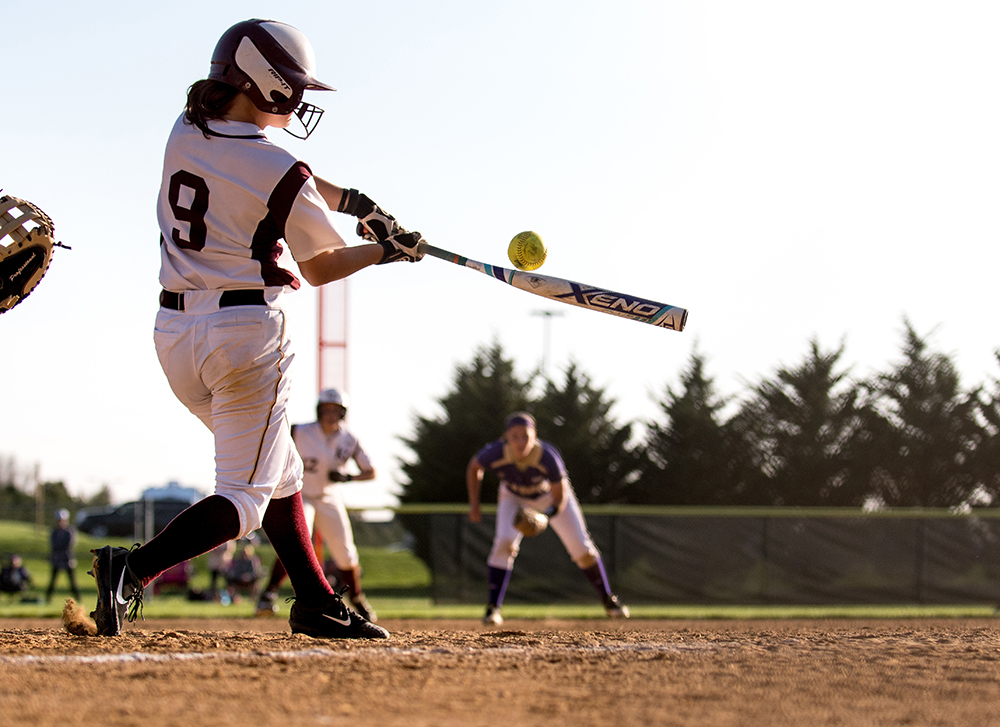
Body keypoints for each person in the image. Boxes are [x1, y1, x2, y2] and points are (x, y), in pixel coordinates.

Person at [89, 18, 426, 639]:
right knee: (245, 497)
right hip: (245, 337)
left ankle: (317, 601)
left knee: (284, 473)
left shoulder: (184, 126)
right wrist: (388, 252)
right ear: (266, 85)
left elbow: (287, 176)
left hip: (174, 335)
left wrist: (359, 206)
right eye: (292, 88)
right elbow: (321, 266)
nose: (298, 100)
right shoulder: (281, 167)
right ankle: (131, 567)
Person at [466, 412, 630, 625]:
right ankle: (492, 608)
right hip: (513, 496)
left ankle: (608, 599)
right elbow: (474, 467)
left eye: (525, 436)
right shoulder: (496, 452)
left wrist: (545, 517)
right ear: (506, 437)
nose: (520, 441)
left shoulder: (547, 456)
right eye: (514, 436)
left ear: (534, 435)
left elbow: (559, 497)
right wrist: (474, 504)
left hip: (548, 497)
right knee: (504, 543)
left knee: (581, 548)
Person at [256, 388, 378, 621]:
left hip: (329, 496)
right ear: (319, 410)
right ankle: (268, 593)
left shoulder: (349, 438)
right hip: (300, 493)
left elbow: (371, 472)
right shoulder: (300, 431)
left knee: (345, 551)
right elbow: (274, 453)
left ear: (343, 413)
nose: (330, 414)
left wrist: (348, 478)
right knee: (296, 541)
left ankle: (357, 597)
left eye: (335, 410)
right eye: (326, 409)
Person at [46, 509, 80, 603]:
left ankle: (78, 598)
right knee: (53, 581)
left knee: (73, 582)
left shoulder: (70, 531)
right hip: (56, 559)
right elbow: (53, 544)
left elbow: (69, 545)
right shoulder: (54, 532)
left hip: (67, 559)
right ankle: (48, 599)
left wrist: (58, 548)